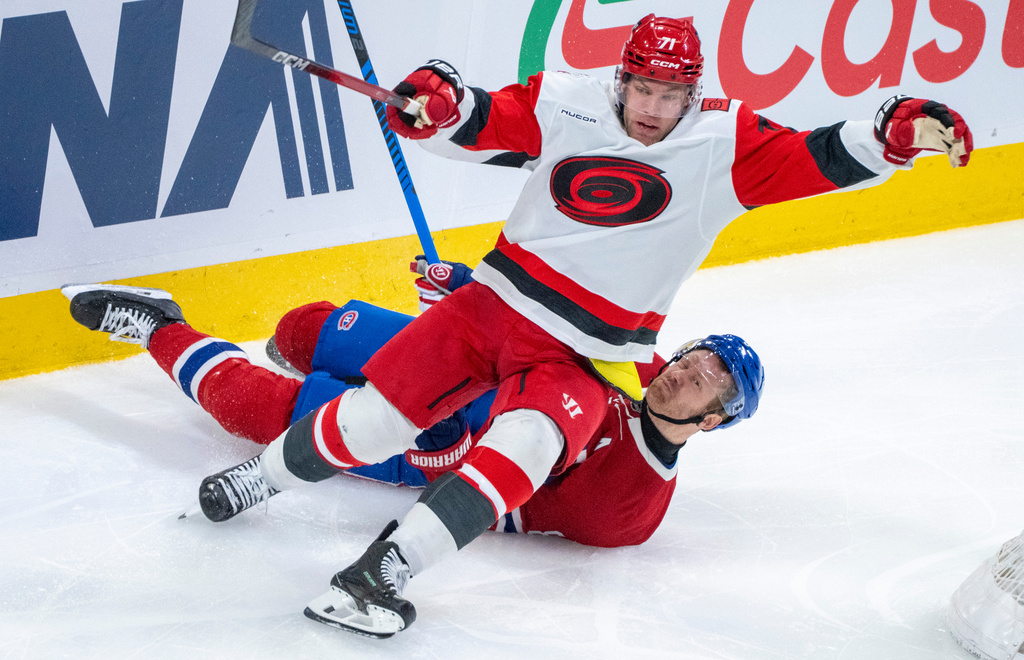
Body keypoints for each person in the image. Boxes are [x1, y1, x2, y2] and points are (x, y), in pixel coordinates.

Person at [71, 12, 972, 637]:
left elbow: (820, 156)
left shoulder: (724, 145)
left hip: (587, 351)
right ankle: (262, 480)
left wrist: (896, 130)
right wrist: (437, 101)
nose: (656, 109)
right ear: (624, 77)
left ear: (696, 94)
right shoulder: (571, 99)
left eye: (673, 95)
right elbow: (479, 118)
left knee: (533, 441)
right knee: (369, 419)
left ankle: (377, 576)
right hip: (487, 305)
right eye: (645, 90)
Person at [61, 261, 762, 552]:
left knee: (260, 410)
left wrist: (449, 441)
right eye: (691, 358)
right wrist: (472, 299)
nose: (681, 374)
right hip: (480, 373)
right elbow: (546, 323)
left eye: (703, 383)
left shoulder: (628, 510)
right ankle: (308, 358)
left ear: (708, 423)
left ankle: (158, 324)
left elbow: (496, 497)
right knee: (306, 329)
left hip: (449, 444)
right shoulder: (634, 358)